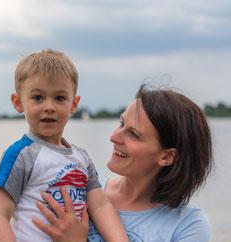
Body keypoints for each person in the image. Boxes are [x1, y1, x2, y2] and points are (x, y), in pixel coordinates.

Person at [34, 84, 213, 242]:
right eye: (121, 123)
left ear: (167, 157)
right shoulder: (82, 192)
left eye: (134, 134)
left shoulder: (188, 225)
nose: (114, 137)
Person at [0, 49, 128, 242]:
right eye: (38, 98)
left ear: (74, 104)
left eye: (60, 98)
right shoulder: (21, 154)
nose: (49, 107)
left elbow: (101, 206)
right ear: (18, 102)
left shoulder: (82, 158)